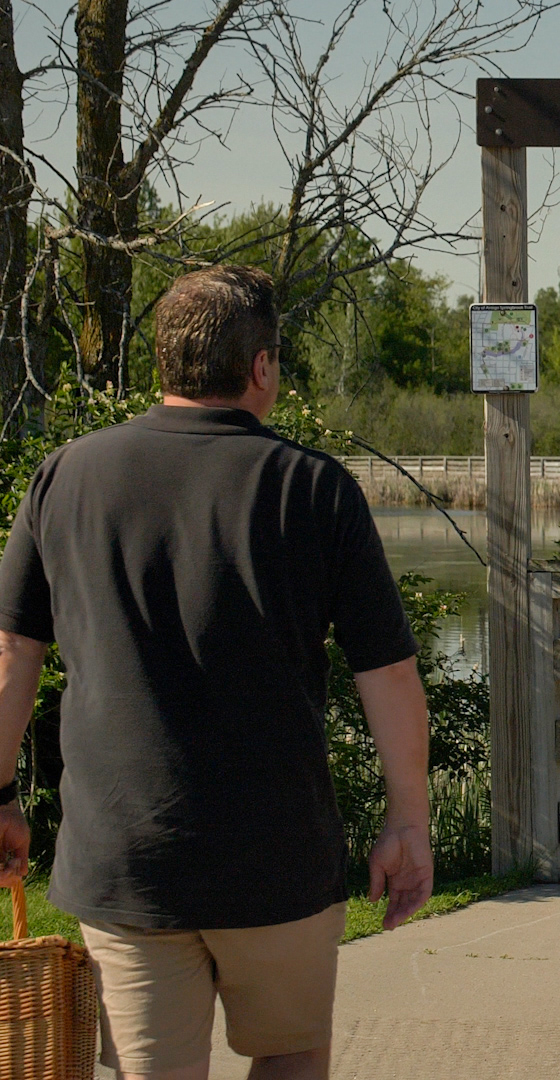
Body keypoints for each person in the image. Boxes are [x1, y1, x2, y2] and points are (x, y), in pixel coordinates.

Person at [0, 265, 432, 1080]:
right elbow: (389, 675)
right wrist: (408, 819)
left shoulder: (67, 477)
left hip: (127, 859)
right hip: (278, 861)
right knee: (292, 1057)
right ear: (262, 366)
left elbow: (11, 654)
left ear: (162, 362)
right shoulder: (316, 490)